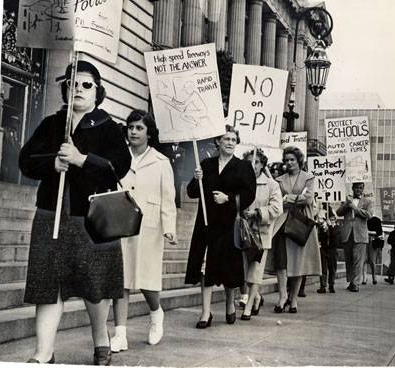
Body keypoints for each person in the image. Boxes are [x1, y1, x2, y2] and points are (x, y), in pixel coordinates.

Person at [19, 61, 131, 365]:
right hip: (50, 215)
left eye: (86, 84)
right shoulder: (52, 124)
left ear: (98, 92)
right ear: (65, 89)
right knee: (47, 285)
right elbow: (25, 160)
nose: (78, 89)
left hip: (93, 220)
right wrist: (51, 164)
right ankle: (43, 353)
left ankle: (101, 339)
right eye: (73, 83)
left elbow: (118, 167)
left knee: (94, 288)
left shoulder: (108, 127)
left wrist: (83, 159)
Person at [110, 110, 177, 352]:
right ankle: (120, 334)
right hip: (120, 224)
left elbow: (168, 198)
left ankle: (156, 314)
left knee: (147, 280)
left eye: (139, 128)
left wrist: (169, 228)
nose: (134, 132)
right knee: (121, 279)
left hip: (149, 227)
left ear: (149, 132)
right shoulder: (118, 158)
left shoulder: (161, 162)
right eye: (131, 127)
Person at [184, 126, 256, 328]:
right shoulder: (206, 165)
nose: (231, 142)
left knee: (228, 268)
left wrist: (229, 199)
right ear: (218, 141)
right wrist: (196, 178)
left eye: (234, 139)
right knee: (205, 269)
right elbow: (192, 192)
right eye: (226, 138)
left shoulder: (243, 167)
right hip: (206, 225)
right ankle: (205, 312)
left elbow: (249, 195)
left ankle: (229, 303)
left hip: (228, 225)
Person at [272, 146, 321, 313]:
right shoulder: (279, 180)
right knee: (281, 262)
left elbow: (308, 199)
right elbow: (278, 201)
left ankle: (293, 299)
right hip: (282, 223)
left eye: (292, 159)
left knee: (298, 262)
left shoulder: (308, 177)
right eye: (286, 160)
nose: (289, 163)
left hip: (300, 223)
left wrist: (288, 199)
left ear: (299, 160)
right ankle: (282, 296)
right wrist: (293, 199)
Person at [240, 149, 283, 320]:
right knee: (243, 272)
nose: (253, 166)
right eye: (250, 162)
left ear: (263, 164)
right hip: (242, 233)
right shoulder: (241, 182)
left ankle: (249, 306)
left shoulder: (271, 185)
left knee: (255, 271)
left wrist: (258, 213)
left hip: (260, 234)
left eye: (256, 162)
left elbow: (277, 208)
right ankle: (256, 297)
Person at [336, 182, 373, 292]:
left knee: (358, 260)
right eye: (356, 187)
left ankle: (356, 283)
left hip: (360, 235)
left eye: (360, 188)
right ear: (352, 188)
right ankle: (352, 281)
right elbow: (338, 213)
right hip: (348, 234)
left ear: (363, 189)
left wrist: (355, 208)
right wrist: (346, 205)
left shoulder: (367, 202)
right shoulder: (347, 200)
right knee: (349, 259)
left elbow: (369, 215)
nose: (358, 190)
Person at [316, 212, 338, 294]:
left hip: (332, 250)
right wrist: (324, 228)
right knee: (323, 268)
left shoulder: (336, 228)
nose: (331, 221)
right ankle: (323, 286)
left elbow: (334, 236)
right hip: (324, 249)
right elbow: (320, 237)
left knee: (332, 268)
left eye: (333, 220)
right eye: (330, 219)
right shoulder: (322, 227)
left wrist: (331, 227)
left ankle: (331, 285)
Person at [362, 216, 384, 285]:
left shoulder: (377, 220)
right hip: (364, 239)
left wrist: (368, 231)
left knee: (372, 260)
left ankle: (374, 277)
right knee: (364, 259)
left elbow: (379, 232)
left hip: (372, 240)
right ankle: (364, 278)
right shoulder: (364, 218)